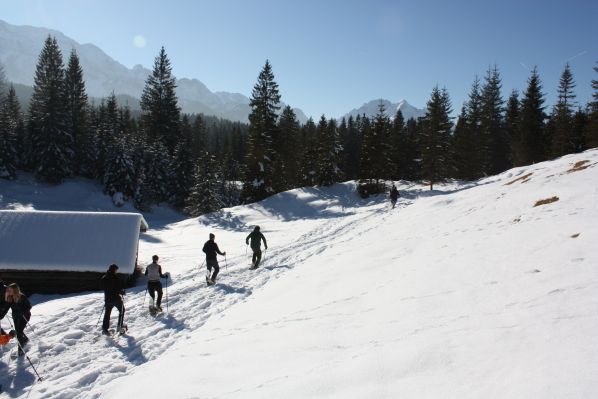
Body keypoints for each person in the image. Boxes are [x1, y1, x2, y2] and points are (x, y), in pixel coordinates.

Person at [0, 283, 32, 356]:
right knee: (18, 330)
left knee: (19, 332)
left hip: (24, 316)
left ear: (15, 290)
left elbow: (29, 306)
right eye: (8, 290)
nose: (8, 291)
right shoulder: (9, 298)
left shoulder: (22, 297)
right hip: (16, 317)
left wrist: (22, 312)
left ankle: (20, 349)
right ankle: (25, 339)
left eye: (10, 290)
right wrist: (1, 316)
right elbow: (6, 309)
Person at [101, 264, 125, 334]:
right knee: (122, 310)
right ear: (114, 270)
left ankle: (105, 328)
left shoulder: (104, 278)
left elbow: (101, 286)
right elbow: (118, 289)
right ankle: (119, 326)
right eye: (116, 270)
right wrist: (122, 292)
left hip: (108, 299)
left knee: (107, 313)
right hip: (116, 298)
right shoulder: (115, 278)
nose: (116, 271)